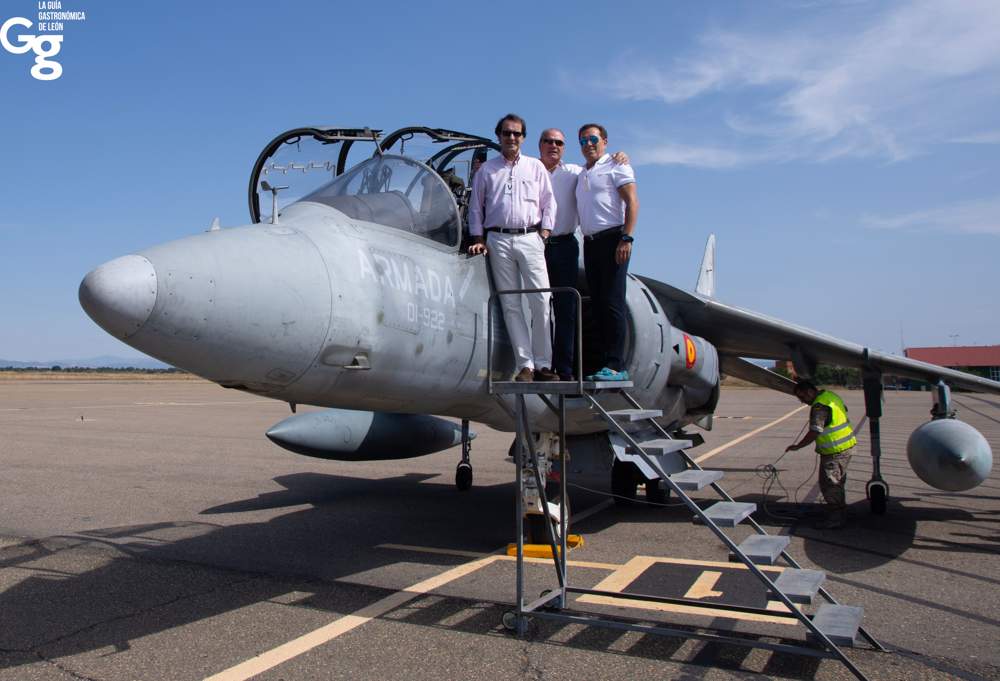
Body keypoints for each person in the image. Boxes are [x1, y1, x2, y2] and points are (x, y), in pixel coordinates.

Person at [468, 113, 558, 382]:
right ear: (499, 136)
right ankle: (526, 365)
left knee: (541, 300)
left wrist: (544, 232)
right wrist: (478, 238)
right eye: (506, 133)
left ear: (523, 138)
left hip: (530, 237)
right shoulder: (486, 171)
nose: (511, 138)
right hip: (498, 240)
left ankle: (544, 364)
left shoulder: (536, 167)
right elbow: (476, 207)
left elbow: (549, 202)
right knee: (510, 304)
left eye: (516, 133)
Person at [538, 128, 629, 381]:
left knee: (566, 308)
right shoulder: (529, 170)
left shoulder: (576, 173)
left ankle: (565, 370)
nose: (553, 146)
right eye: (548, 141)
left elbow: (617, 187)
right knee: (535, 306)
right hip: (535, 245)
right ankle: (538, 365)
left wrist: (620, 156)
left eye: (558, 142)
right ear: (540, 145)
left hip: (566, 245)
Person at [574, 123, 638, 382]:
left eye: (593, 139)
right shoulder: (581, 173)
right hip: (589, 242)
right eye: (583, 141)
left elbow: (632, 201)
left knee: (613, 302)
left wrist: (627, 237)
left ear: (605, 141)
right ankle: (604, 362)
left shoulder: (616, 165)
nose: (588, 144)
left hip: (614, 239)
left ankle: (617, 364)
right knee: (598, 303)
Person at [785, 380, 859, 528]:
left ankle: (836, 519)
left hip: (835, 451)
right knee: (836, 483)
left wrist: (798, 446)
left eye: (803, 397)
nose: (802, 401)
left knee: (831, 485)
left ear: (810, 392)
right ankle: (839, 513)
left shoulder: (819, 407)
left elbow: (815, 431)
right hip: (845, 447)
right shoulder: (830, 396)